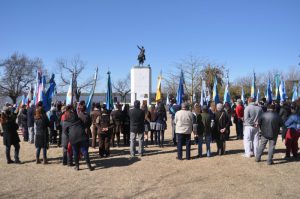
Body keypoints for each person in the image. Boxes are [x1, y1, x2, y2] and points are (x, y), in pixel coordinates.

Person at [63, 106, 93, 171]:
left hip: (73, 137)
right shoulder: (79, 119)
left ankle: (77, 166)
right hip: (82, 135)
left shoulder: (65, 122)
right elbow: (84, 126)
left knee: (75, 151)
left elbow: (65, 132)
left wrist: (69, 137)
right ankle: (89, 166)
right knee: (84, 151)